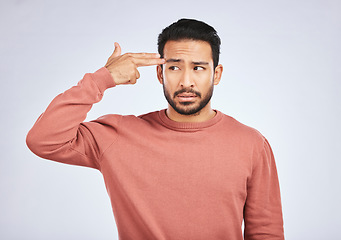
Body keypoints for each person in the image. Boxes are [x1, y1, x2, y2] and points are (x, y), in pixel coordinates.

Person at [26, 19, 284, 240]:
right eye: (174, 67)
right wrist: (102, 79)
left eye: (198, 68)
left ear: (216, 74)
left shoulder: (251, 144)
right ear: (160, 74)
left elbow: (265, 232)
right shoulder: (118, 135)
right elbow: (43, 140)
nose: (186, 81)